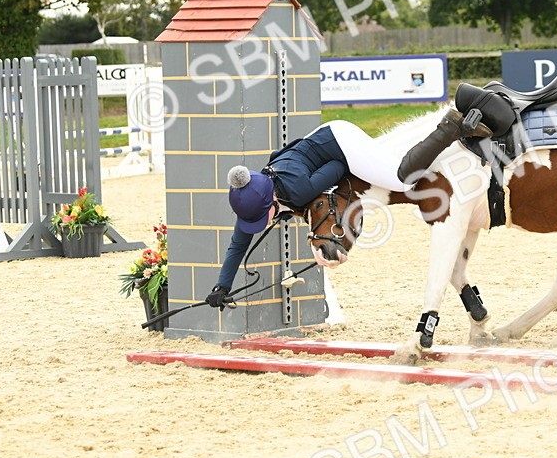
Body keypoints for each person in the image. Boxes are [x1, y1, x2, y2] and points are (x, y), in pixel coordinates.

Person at [205, 109, 489, 309]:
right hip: (320, 141)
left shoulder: (297, 189)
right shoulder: (259, 195)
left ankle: (449, 127)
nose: (260, 224)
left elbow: (338, 169)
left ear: (271, 201)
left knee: (400, 179)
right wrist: (222, 287)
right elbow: (237, 246)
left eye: (260, 218)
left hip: (341, 144)